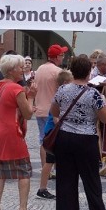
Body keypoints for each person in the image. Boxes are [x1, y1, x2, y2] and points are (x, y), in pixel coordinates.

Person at [51, 55, 106, 210]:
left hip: (64, 137)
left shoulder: (62, 90)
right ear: (88, 73)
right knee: (91, 179)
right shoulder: (93, 93)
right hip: (86, 138)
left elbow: (54, 110)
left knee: (65, 179)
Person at [0, 53, 37, 210]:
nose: (23, 69)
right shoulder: (17, 89)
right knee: (23, 170)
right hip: (11, 133)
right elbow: (28, 114)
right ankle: (23, 209)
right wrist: (31, 96)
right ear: (11, 70)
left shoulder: (0, 85)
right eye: (20, 67)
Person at [32, 44, 67, 199]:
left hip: (39, 108)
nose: (63, 58)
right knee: (55, 146)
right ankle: (51, 170)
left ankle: (46, 169)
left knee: (43, 141)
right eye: (62, 55)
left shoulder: (40, 69)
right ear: (56, 57)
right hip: (53, 112)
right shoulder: (58, 72)